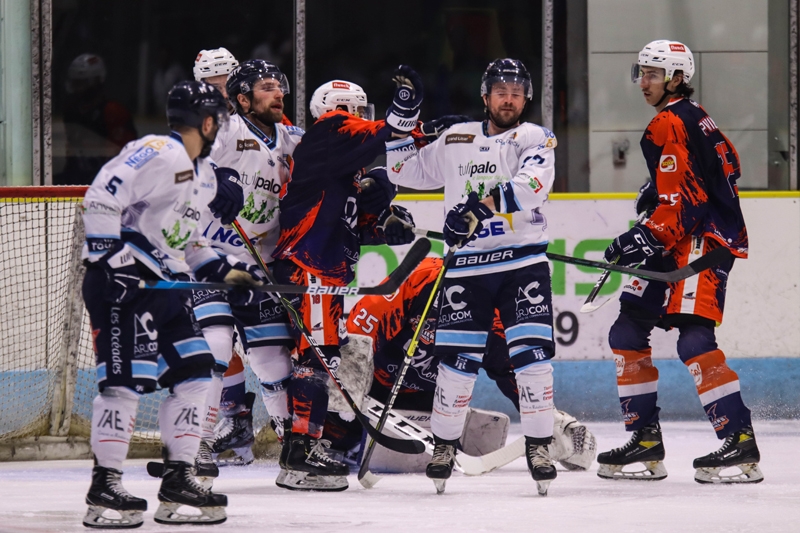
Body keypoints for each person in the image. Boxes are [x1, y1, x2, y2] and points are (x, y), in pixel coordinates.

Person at [80, 79, 261, 528]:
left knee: (198, 370)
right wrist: (113, 262)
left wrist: (226, 272)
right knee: (122, 386)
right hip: (122, 286)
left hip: (166, 288)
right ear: (206, 120)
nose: (221, 125)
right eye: (218, 117)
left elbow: (190, 244)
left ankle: (179, 476)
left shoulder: (202, 173)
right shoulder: (158, 150)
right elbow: (101, 196)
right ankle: (105, 485)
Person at [386, 58, 560, 495]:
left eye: (517, 92)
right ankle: (444, 445)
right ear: (485, 96)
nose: (509, 98)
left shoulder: (534, 136)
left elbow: (533, 185)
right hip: (469, 267)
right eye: (501, 90)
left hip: (522, 263)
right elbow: (402, 171)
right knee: (456, 364)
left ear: (526, 99)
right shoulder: (455, 138)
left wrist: (476, 210)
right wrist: (402, 120)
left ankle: (539, 445)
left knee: (532, 359)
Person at [596, 40, 762, 485]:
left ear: (676, 78)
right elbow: (730, 163)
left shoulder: (669, 122)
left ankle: (740, 438)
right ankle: (644, 438)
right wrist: (658, 194)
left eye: (653, 74)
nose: (643, 83)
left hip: (701, 241)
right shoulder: (697, 116)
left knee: (693, 338)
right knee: (627, 328)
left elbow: (685, 203)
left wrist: (640, 236)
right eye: (642, 73)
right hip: (681, 237)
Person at [270, 73, 422, 491]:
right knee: (315, 361)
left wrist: (389, 225)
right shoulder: (329, 131)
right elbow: (387, 134)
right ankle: (301, 453)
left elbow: (351, 224)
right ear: (339, 111)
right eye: (356, 110)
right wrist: (419, 124)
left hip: (325, 272)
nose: (360, 117)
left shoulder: (342, 169)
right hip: (311, 269)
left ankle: (303, 446)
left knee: (322, 358)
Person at [324, 257, 595, 474]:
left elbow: (514, 376)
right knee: (334, 427)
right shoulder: (416, 281)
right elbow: (357, 341)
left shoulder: (497, 317)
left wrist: (550, 423)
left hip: (435, 402)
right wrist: (345, 397)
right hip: (375, 387)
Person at [191, 58, 304, 471]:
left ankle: (293, 440)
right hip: (214, 262)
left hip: (263, 267)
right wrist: (218, 176)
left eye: (280, 86)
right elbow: (190, 152)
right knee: (216, 348)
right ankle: (197, 444)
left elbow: (338, 157)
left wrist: (371, 178)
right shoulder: (228, 126)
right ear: (242, 98)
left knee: (272, 358)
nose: (278, 93)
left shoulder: (292, 138)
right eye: (267, 87)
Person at [55, 53, 137, 185]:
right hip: (77, 181)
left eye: (82, 83)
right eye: (76, 83)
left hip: (107, 184)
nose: (78, 89)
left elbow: (126, 158)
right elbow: (72, 154)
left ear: (97, 81)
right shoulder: (71, 112)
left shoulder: (113, 112)